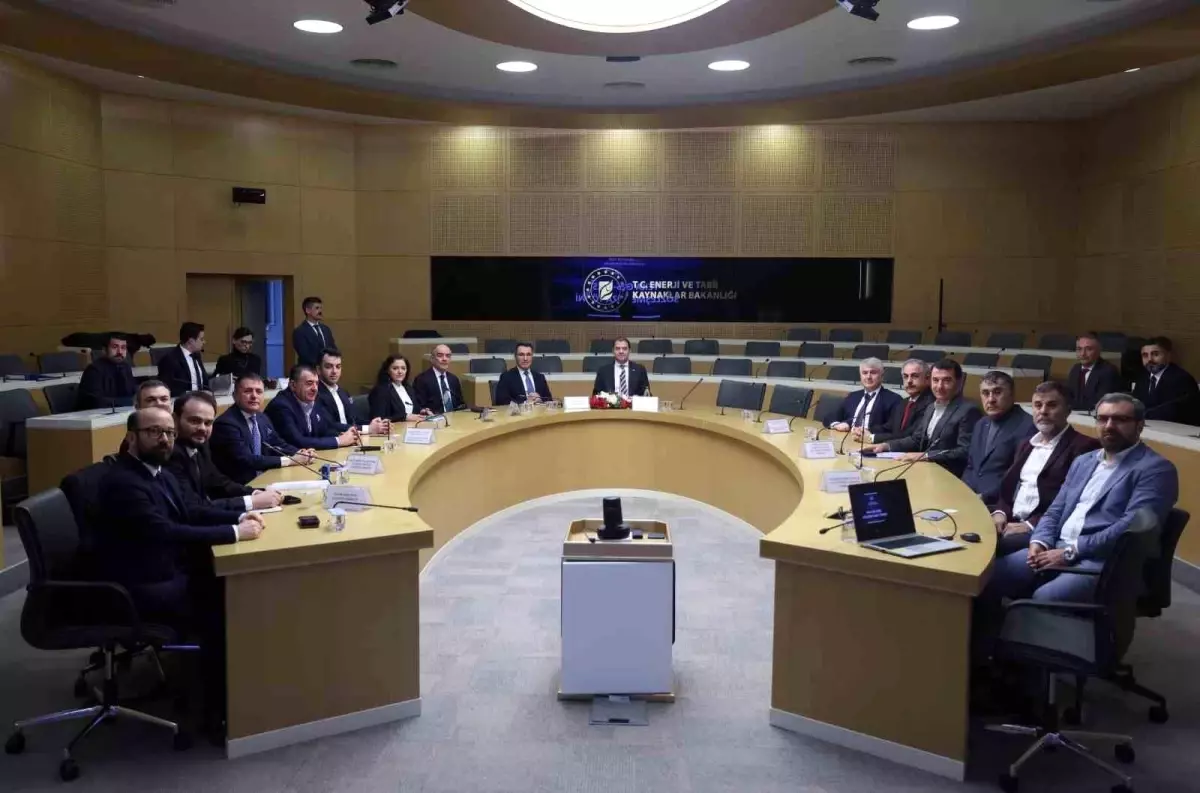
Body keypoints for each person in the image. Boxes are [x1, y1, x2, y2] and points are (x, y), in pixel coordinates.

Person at [95, 408, 265, 736]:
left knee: (233, 589)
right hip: (140, 584)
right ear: (131, 437)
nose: (164, 439)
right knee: (227, 604)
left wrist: (237, 519)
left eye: (169, 433)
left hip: (166, 567)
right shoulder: (124, 483)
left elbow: (189, 512)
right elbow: (165, 532)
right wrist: (233, 534)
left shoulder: (158, 472)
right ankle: (218, 715)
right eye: (154, 432)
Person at [983, 393, 1178, 604]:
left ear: (1139, 425)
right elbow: (1056, 509)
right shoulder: (1084, 461)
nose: (1109, 426)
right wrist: (1040, 541)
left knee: (1044, 598)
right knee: (988, 576)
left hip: (1101, 561)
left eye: (1120, 419)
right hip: (1055, 546)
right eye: (1102, 419)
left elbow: (1129, 528)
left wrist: (1071, 552)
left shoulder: (1155, 469)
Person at [990, 381, 1101, 555]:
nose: (1043, 411)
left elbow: (1072, 502)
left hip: (1041, 529)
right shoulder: (1026, 444)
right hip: (1009, 519)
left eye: (1052, 405)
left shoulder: (1085, 447)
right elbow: (1009, 488)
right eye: (1037, 405)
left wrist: (1030, 525)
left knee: (985, 546)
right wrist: (1000, 513)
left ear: (1068, 410)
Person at [165, 391, 284, 514]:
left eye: (208, 423)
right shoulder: (169, 454)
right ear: (175, 419)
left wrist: (256, 492)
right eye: (194, 421)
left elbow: (218, 482)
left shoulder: (201, 445)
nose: (202, 428)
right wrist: (252, 501)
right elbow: (193, 507)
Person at [865, 359, 981, 477]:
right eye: (935, 380)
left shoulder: (968, 410)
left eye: (947, 380)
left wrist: (925, 456)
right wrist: (886, 446)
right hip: (925, 470)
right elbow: (917, 439)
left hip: (948, 475)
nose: (939, 386)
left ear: (959, 382)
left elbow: (965, 451)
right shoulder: (931, 407)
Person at [211, 373, 314, 484]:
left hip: (265, 479)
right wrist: (290, 460)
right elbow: (246, 459)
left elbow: (277, 443)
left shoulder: (262, 417)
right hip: (240, 486)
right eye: (248, 391)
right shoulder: (226, 424)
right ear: (234, 395)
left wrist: (301, 453)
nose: (254, 396)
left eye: (259, 391)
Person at [962, 372, 1036, 504]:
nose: (991, 399)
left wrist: (984, 497)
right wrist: (963, 490)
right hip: (970, 499)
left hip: (999, 504)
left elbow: (1018, 477)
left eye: (997, 392)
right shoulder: (981, 424)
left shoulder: (1028, 426)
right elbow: (971, 466)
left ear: (1012, 394)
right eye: (985, 393)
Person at [265, 365, 359, 451]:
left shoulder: (311, 400)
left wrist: (342, 435)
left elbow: (324, 429)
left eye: (316, 383)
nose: (315, 388)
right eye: (309, 383)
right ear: (293, 385)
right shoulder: (281, 406)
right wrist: (339, 441)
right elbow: (297, 442)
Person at [859, 359, 933, 444]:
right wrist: (865, 430)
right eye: (906, 376)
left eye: (915, 376)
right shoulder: (904, 402)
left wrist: (872, 438)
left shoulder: (931, 403)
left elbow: (909, 435)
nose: (909, 381)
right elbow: (888, 427)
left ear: (927, 379)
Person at [316, 348, 388, 434]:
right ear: (318, 370)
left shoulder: (343, 392)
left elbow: (354, 420)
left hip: (353, 437)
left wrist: (377, 425)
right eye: (329, 367)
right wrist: (368, 428)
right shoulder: (315, 394)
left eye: (338, 367)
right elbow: (331, 425)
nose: (334, 371)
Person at [1132, 336, 1200, 425]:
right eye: (1145, 355)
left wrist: (1143, 415)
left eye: (1155, 354)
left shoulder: (1182, 379)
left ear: (1168, 355)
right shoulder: (1143, 377)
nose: (1149, 359)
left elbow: (1175, 411)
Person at [824, 357, 901, 433]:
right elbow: (830, 417)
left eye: (873, 373)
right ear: (860, 376)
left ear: (882, 376)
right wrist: (837, 425)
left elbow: (892, 427)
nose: (868, 377)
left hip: (871, 439)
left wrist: (868, 431)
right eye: (865, 373)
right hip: (847, 437)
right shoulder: (853, 396)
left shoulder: (894, 399)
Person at [1065, 332, 1123, 413]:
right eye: (1079, 349)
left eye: (1088, 349)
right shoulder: (1075, 369)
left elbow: (1099, 403)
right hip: (1075, 414)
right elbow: (1068, 396)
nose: (1083, 354)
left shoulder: (1108, 371)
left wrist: (1070, 405)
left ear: (1099, 351)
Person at [77, 334, 137, 410]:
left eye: (123, 348)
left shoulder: (126, 367)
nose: (120, 352)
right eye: (115, 347)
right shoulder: (94, 370)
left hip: (122, 411)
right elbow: (96, 402)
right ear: (104, 350)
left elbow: (132, 393)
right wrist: (129, 402)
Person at [411, 344, 467, 414]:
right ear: (432, 358)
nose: (444, 359)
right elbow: (418, 406)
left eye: (448, 356)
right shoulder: (421, 379)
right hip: (434, 418)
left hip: (455, 417)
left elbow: (460, 404)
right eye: (440, 355)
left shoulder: (453, 379)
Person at [494, 342, 554, 406]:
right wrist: (525, 402)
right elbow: (501, 401)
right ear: (515, 356)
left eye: (528, 354)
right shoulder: (506, 377)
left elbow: (549, 400)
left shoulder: (540, 377)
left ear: (532, 357)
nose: (525, 359)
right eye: (521, 355)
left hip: (539, 411)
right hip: (518, 412)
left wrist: (540, 399)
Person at [158, 321, 209, 396]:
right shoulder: (169, 359)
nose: (204, 342)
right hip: (182, 400)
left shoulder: (196, 356)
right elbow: (165, 388)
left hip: (201, 398)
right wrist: (188, 394)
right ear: (191, 341)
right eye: (201, 339)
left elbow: (204, 382)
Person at [368, 355, 424, 422]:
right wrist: (404, 417)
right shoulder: (380, 390)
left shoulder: (408, 388)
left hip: (412, 425)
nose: (400, 372)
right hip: (393, 427)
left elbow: (414, 409)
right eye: (395, 368)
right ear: (388, 370)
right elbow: (379, 419)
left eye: (403, 368)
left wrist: (422, 411)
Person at [292, 296, 336, 368]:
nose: (320, 311)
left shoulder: (326, 329)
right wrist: (322, 365)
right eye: (317, 308)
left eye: (321, 308)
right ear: (307, 310)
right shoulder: (299, 332)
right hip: (309, 370)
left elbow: (333, 349)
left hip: (327, 370)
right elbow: (305, 355)